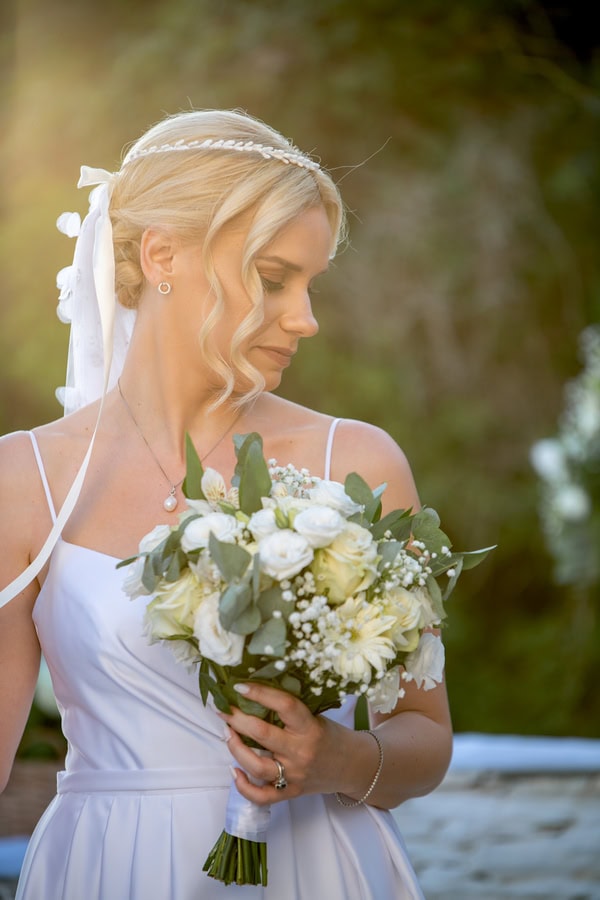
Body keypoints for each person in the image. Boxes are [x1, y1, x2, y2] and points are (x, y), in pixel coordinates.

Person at [0, 109, 452, 899]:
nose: (306, 318)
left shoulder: (360, 463)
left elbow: (426, 735)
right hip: (111, 869)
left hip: (321, 866)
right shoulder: (23, 480)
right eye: (275, 278)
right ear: (163, 254)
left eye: (310, 284)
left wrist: (338, 761)